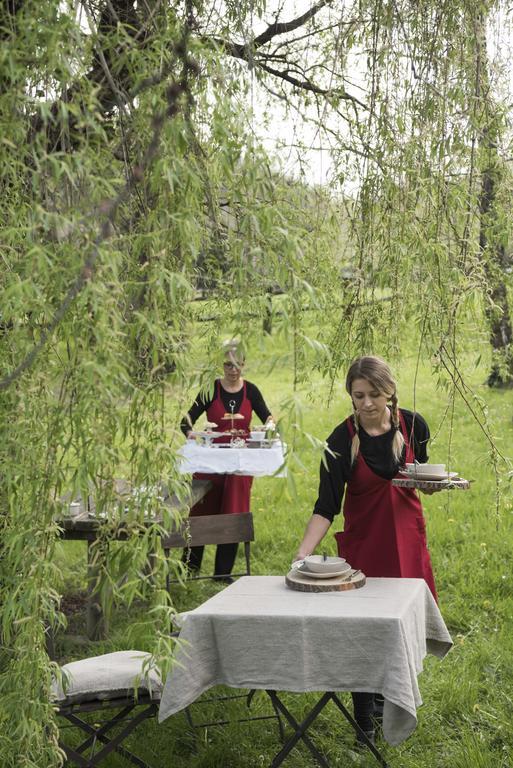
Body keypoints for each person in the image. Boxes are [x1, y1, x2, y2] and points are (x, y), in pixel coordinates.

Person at [294, 355, 438, 746]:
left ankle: (395, 710)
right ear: (351, 396)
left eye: (375, 394)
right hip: (364, 550)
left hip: (407, 544)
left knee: (400, 632)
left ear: (389, 391)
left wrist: (430, 486)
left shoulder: (413, 425)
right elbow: (326, 508)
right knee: (363, 635)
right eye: (359, 395)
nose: (368, 403)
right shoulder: (340, 440)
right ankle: (366, 726)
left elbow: (420, 475)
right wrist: (301, 556)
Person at [180, 340, 273, 581]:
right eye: (227, 365)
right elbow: (186, 420)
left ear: (244, 364)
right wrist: (194, 434)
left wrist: (270, 426)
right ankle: (189, 570)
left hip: (240, 465)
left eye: (236, 365)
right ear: (221, 365)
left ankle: (222, 573)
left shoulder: (251, 390)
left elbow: (268, 417)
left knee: (234, 513)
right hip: (209, 464)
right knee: (200, 514)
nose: (232, 370)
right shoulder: (211, 389)